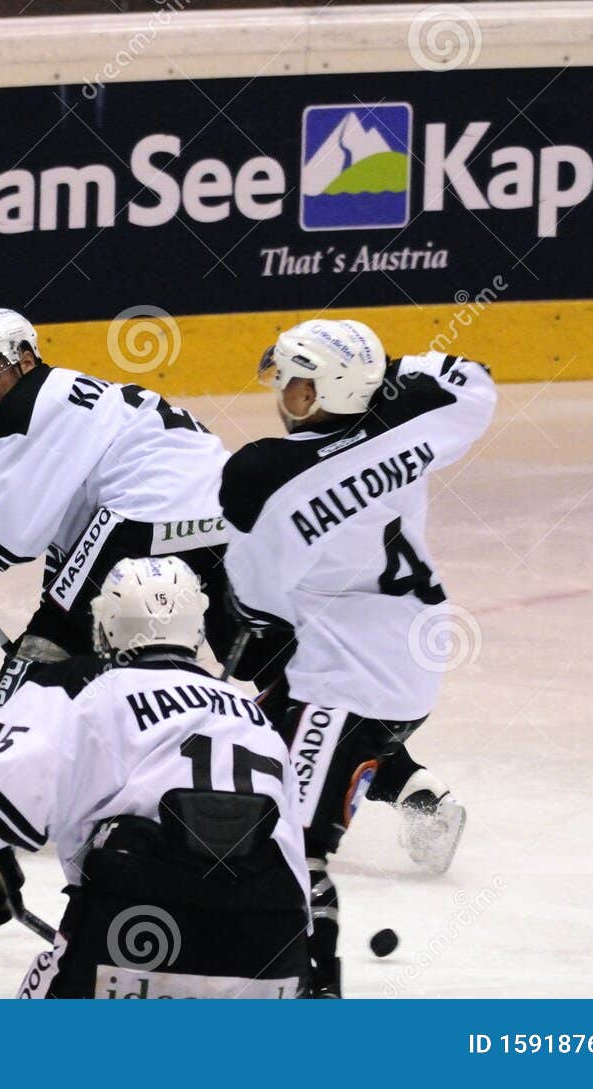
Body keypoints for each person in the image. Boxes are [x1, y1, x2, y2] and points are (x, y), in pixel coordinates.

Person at [219, 319, 497, 997]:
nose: (284, 392)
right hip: (411, 656)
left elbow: (256, 603)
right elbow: (474, 382)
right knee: (265, 731)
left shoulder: (271, 474)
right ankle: (417, 791)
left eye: (299, 383)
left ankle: (314, 991)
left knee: (294, 838)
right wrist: (377, 368)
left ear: (322, 393)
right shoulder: (413, 419)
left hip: (346, 681)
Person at [0, 556, 311, 998]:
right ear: (197, 629)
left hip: (128, 941)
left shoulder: (79, 685)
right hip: (274, 954)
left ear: (107, 626)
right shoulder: (253, 716)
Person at [0, 308, 275, 712]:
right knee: (256, 650)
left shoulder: (31, 405)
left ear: (26, 358)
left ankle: (12, 749)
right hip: (225, 519)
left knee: (47, 660)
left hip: (142, 519)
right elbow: (69, 535)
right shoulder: (88, 397)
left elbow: (0, 538)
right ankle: (298, 716)